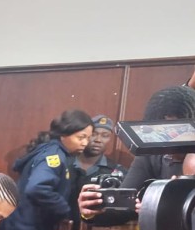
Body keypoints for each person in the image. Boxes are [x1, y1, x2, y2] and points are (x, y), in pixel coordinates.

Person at [78, 86, 195, 222]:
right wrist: (92, 210)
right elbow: (124, 208)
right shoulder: (150, 154)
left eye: (177, 131)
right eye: (162, 133)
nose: (170, 139)